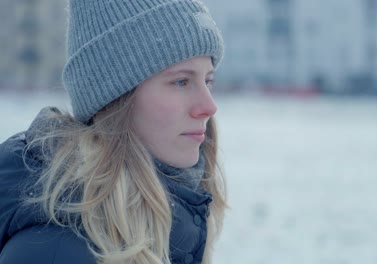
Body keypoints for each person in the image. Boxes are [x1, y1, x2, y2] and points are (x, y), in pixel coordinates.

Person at [0, 0, 227, 263]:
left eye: (208, 80)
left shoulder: (172, 224)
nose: (209, 106)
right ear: (117, 98)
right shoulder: (54, 249)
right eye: (181, 81)